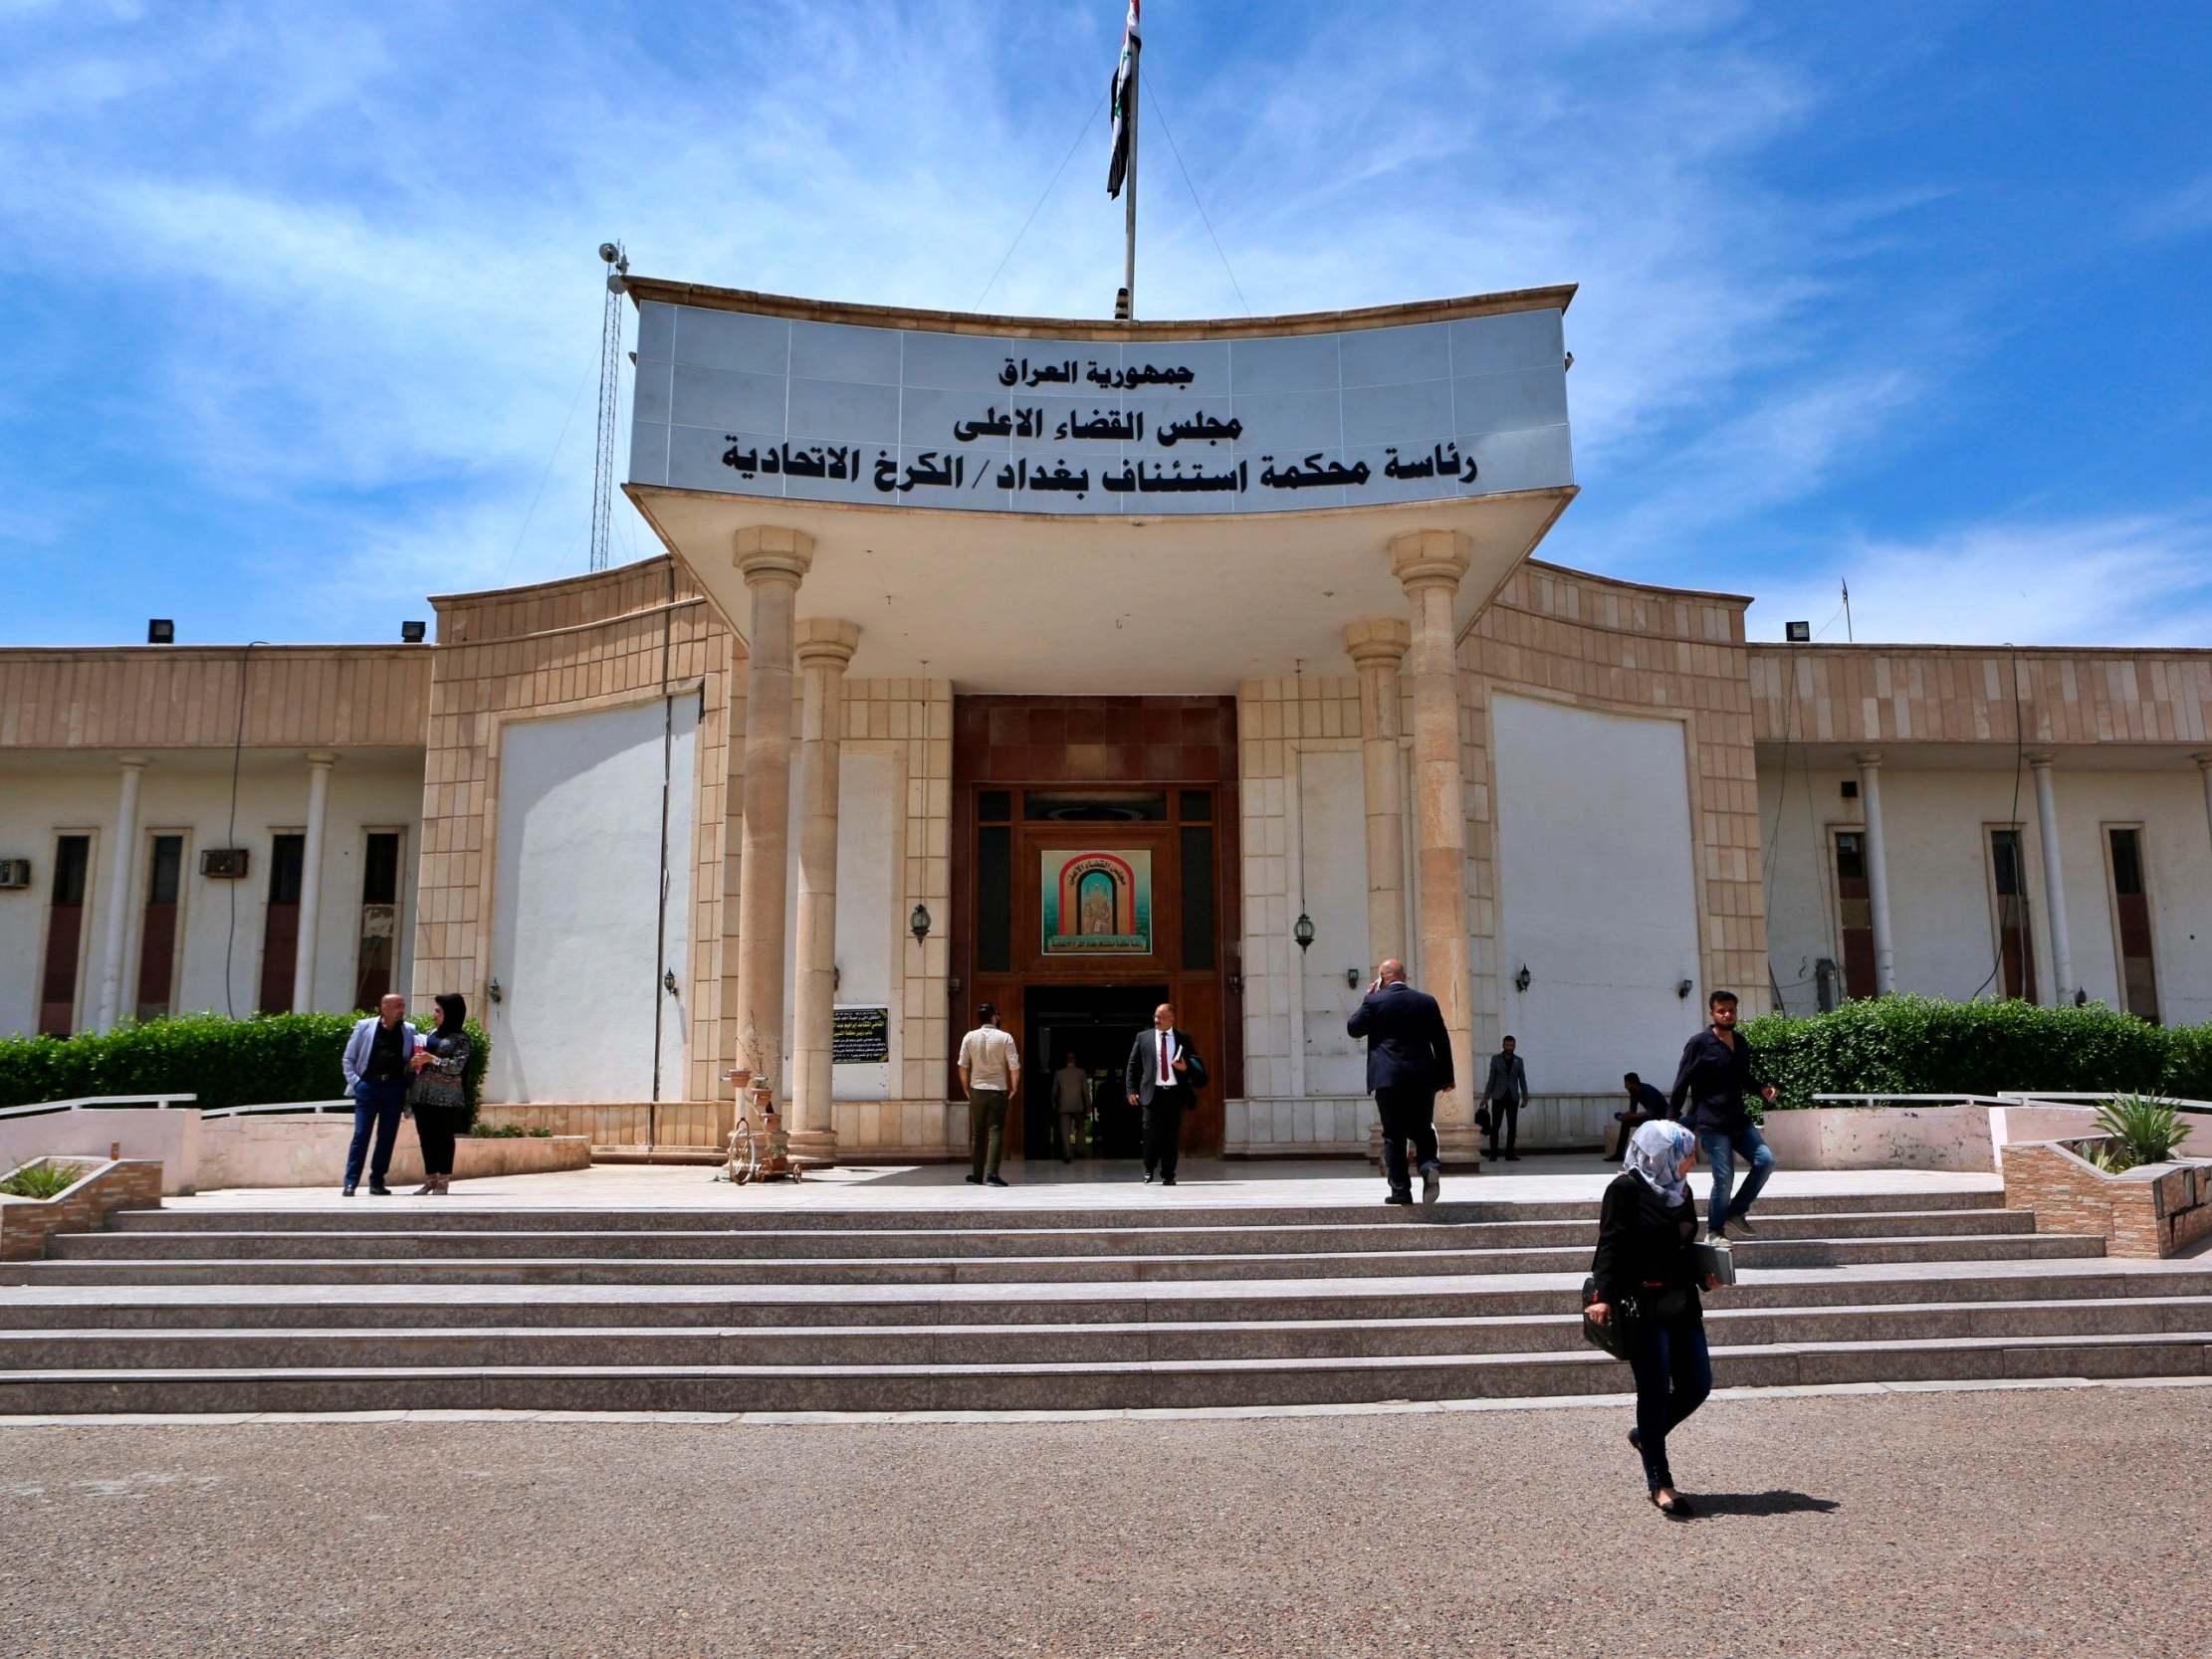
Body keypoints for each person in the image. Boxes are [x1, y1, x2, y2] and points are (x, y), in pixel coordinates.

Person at [1585, 1120, 1722, 1518]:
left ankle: (1646, 1436)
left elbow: (1682, 1246)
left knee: (1698, 1384)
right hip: (1641, 1303)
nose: (1693, 1162)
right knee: (1655, 1390)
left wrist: (1706, 1275)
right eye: (1687, 1154)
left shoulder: (1682, 1191)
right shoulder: (1625, 1189)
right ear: (1663, 1155)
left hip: (1682, 1301)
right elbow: (1610, 1243)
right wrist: (1602, 1296)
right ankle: (1660, 1483)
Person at [1666, 989, 1779, 1242]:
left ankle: (1736, 1211)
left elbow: (1742, 1077)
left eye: (1731, 1010)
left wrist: (1761, 1088)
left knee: (1766, 1161)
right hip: (1711, 1122)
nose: (1727, 1015)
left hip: (1738, 1119)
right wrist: (1671, 1118)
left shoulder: (1740, 1043)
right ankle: (1715, 1231)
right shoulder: (1699, 1043)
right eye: (1722, 1011)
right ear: (1712, 1013)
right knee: (1724, 1177)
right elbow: (1682, 1080)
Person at [1346, 957, 1454, 1207]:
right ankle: (1429, 1166)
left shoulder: (1374, 1001)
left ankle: (1401, 1192)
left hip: (1388, 1079)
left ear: (1382, 978)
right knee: (1423, 1128)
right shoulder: (1426, 1001)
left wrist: (1367, 999)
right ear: (1403, 977)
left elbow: (1354, 1028)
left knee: (1394, 1135)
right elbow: (1441, 1040)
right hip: (1422, 1077)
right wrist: (1446, 1077)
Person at [340, 993, 419, 1196]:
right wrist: (357, 1083)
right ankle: (350, 1183)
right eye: (398, 1006)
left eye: (403, 1006)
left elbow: (410, 1060)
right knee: (361, 1135)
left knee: (387, 1137)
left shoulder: (409, 1030)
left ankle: (377, 1181)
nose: (402, 1009)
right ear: (384, 1007)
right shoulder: (365, 1026)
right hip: (368, 1087)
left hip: (394, 1088)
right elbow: (348, 1058)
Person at [1124, 1003, 1207, 1186]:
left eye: (1161, 1017)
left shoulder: (1183, 1038)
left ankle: (1168, 1174)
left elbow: (1195, 1065)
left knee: (1171, 1137)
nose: (1156, 1020)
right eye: (1155, 1016)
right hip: (1152, 1095)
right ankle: (1148, 1170)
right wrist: (1131, 1090)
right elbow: (1133, 1065)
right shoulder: (1143, 1037)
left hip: (1175, 1095)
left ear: (1172, 1019)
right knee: (1150, 1135)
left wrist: (1185, 1069)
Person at [406, 992, 472, 1196]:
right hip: (422, 1095)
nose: (434, 1014)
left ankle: (444, 1179)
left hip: (446, 1097)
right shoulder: (430, 1033)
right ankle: (430, 1179)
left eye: (438, 1010)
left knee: (443, 1137)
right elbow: (418, 1060)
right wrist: (415, 1062)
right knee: (426, 1137)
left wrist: (431, 1059)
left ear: (450, 1013)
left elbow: (456, 1066)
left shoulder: (461, 1039)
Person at [958, 1003, 1020, 1186]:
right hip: (998, 1090)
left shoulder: (969, 1037)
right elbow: (1014, 1066)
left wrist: (966, 1089)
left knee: (978, 1133)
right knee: (996, 1131)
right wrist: (1014, 1087)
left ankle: (977, 1175)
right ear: (993, 1016)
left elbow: (962, 1066)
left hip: (977, 1089)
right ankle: (992, 1174)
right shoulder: (1005, 1037)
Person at [1479, 1035, 1528, 1160]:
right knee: (1495, 1125)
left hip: (1513, 1097)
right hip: (1498, 1097)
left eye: (1512, 1045)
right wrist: (1486, 1097)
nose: (1509, 1047)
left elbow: (1522, 1079)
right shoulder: (1496, 1059)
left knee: (1512, 1126)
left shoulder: (1519, 1061)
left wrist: (1525, 1097)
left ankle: (1510, 1153)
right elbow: (1491, 1079)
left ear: (1515, 1046)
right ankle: (1493, 1154)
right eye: (1507, 1045)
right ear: (1503, 1045)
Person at [1613, 1071, 1670, 1163]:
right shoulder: (1633, 1093)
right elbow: (1633, 1112)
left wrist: (1632, 1116)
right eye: (1625, 1085)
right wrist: (1624, 1116)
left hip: (1662, 1118)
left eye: (1627, 1085)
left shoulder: (1648, 1090)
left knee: (1645, 1125)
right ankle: (1618, 1154)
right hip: (1651, 1117)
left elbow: (1650, 1113)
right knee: (1626, 1123)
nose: (1626, 1087)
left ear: (1634, 1084)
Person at [1050, 1051, 1089, 1163]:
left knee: (1064, 1130)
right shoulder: (1081, 1072)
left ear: (1065, 1061)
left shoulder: (1059, 1073)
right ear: (1075, 1060)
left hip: (1064, 1106)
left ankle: (1067, 1153)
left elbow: (1054, 1091)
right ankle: (1080, 1150)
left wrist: (1053, 1103)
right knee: (1080, 1128)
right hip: (1078, 1105)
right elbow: (1085, 1091)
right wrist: (1088, 1105)